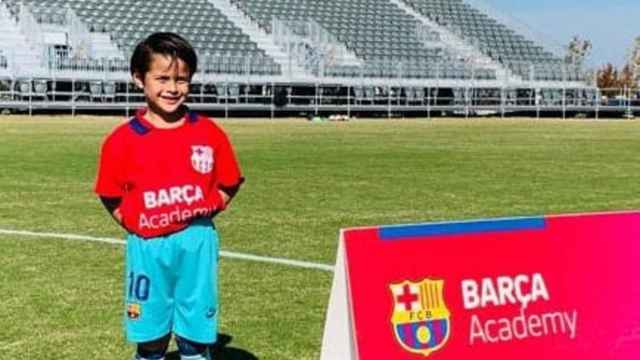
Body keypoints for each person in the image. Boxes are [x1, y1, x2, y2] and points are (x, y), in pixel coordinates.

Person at [94, 32, 244, 360]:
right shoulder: (121, 141)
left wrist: (204, 213)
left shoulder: (208, 132)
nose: (172, 88)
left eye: (182, 79)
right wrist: (137, 224)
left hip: (196, 243)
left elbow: (229, 182)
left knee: (194, 339)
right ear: (139, 78)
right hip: (148, 247)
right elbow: (110, 194)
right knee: (151, 337)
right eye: (162, 78)